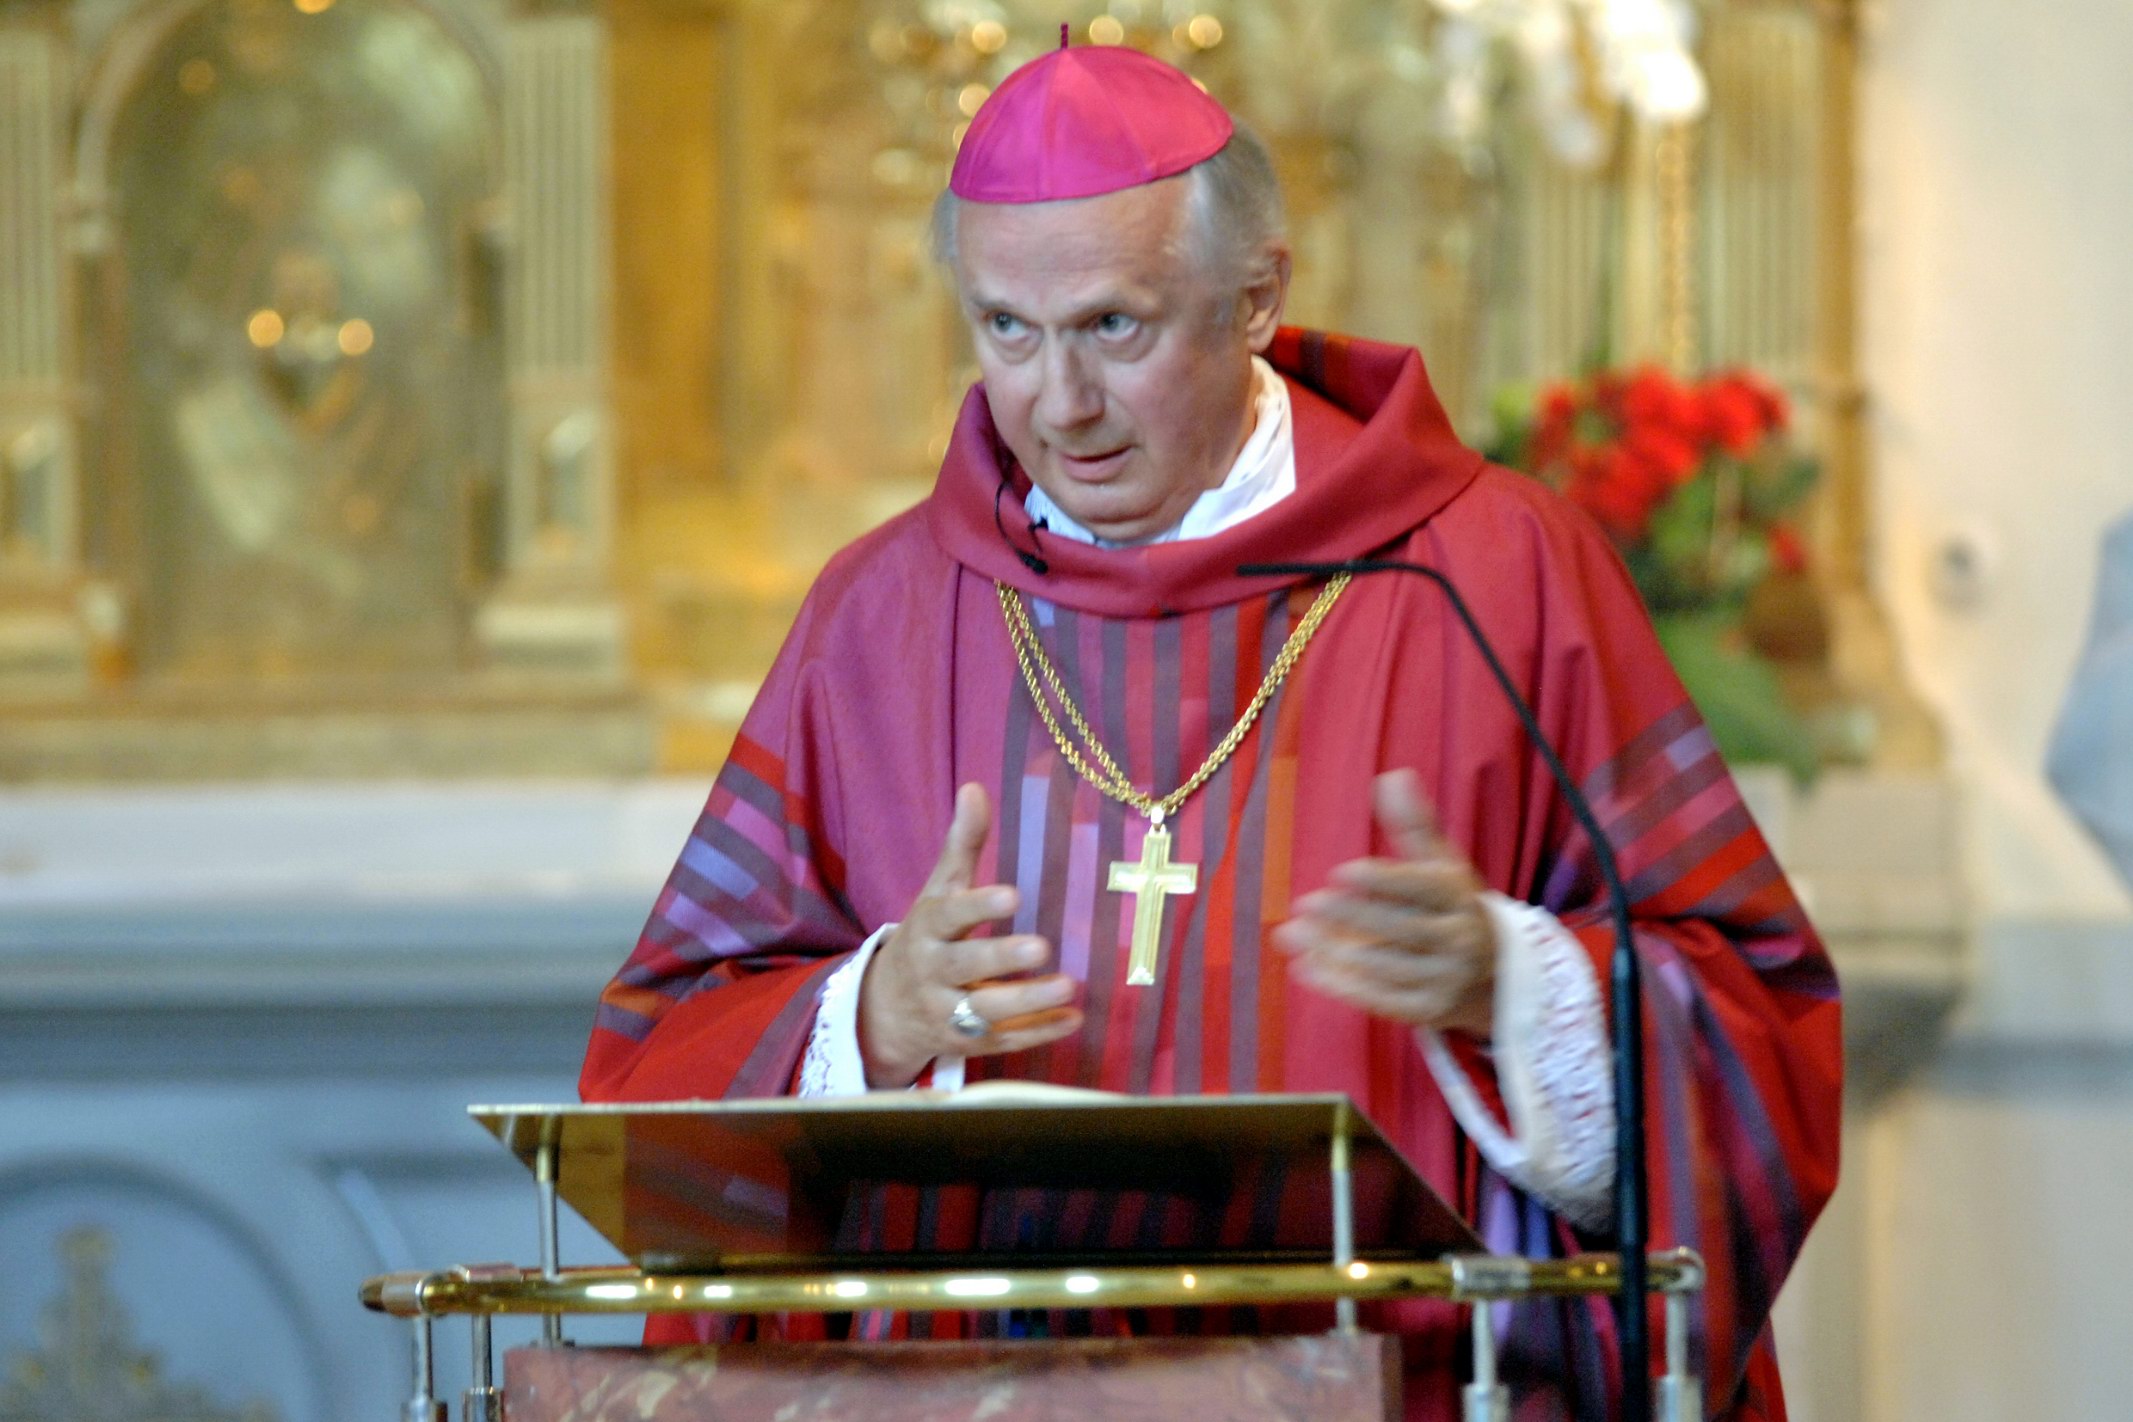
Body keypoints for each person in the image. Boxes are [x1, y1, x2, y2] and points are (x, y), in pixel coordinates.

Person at [581, 41, 1842, 1421]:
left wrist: (1518, 984)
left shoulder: (1492, 574)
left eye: (1114, 327)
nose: (1057, 401)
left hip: (1412, 1387)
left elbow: (1756, 1021)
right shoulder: (879, 612)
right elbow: (656, 1073)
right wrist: (869, 1018)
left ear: (1257, 298)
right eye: (1007, 329)